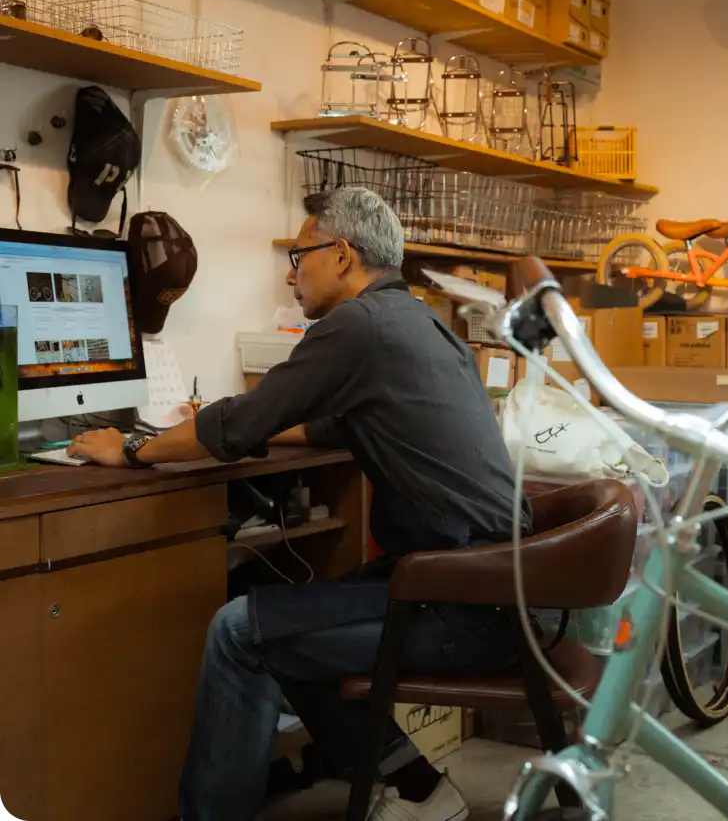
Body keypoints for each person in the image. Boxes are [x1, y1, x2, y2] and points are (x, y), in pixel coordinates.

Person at [69, 187, 534, 821]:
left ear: (341, 255)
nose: (292, 273)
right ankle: (423, 793)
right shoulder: (419, 321)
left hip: (459, 602)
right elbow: (327, 426)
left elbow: (241, 427)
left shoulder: (358, 325)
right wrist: (218, 419)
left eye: (299, 254)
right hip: (490, 592)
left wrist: (131, 449)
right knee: (285, 626)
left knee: (241, 630)